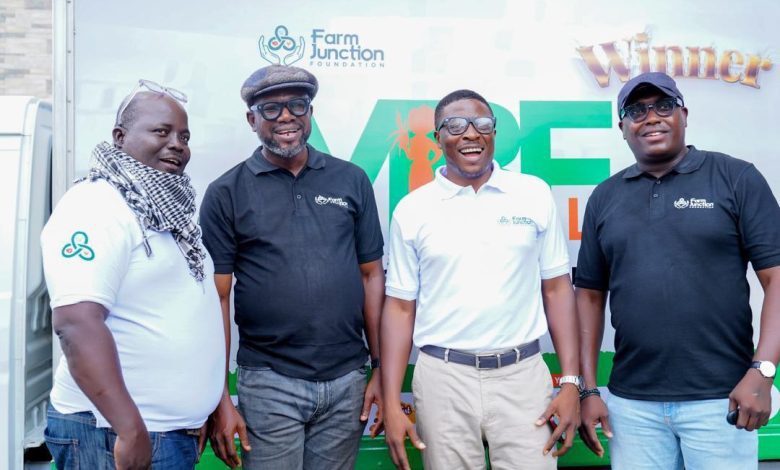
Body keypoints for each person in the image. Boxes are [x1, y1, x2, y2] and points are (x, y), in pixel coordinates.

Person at [576, 72, 780, 470]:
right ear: (622, 128)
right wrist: (588, 389)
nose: (651, 117)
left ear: (684, 114)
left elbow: (776, 278)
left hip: (722, 398)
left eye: (663, 106)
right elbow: (588, 296)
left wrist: (764, 370)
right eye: (637, 111)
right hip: (632, 405)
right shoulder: (605, 196)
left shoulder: (735, 178)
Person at [381, 89, 581, 470]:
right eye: (456, 125)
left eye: (482, 124)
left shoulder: (533, 194)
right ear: (438, 137)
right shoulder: (413, 210)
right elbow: (400, 309)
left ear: (494, 133)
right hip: (443, 380)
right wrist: (392, 402)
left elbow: (557, 290)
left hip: (523, 377)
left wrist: (571, 381)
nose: (471, 133)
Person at [199, 64, 385, 469]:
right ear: (252, 120)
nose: (286, 116)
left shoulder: (351, 180)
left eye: (297, 105)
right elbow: (218, 297)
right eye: (271, 109)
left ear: (310, 113)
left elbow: (371, 276)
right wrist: (220, 396)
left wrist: (380, 369)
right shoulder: (226, 192)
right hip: (269, 382)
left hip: (347, 380)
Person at [41, 80, 225, 470]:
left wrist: (196, 409)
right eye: (162, 131)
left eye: (184, 136)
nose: (177, 144)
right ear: (120, 137)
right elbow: (76, 323)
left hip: (164, 432)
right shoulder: (95, 204)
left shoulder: (166, 212)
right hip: (110, 433)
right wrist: (130, 429)